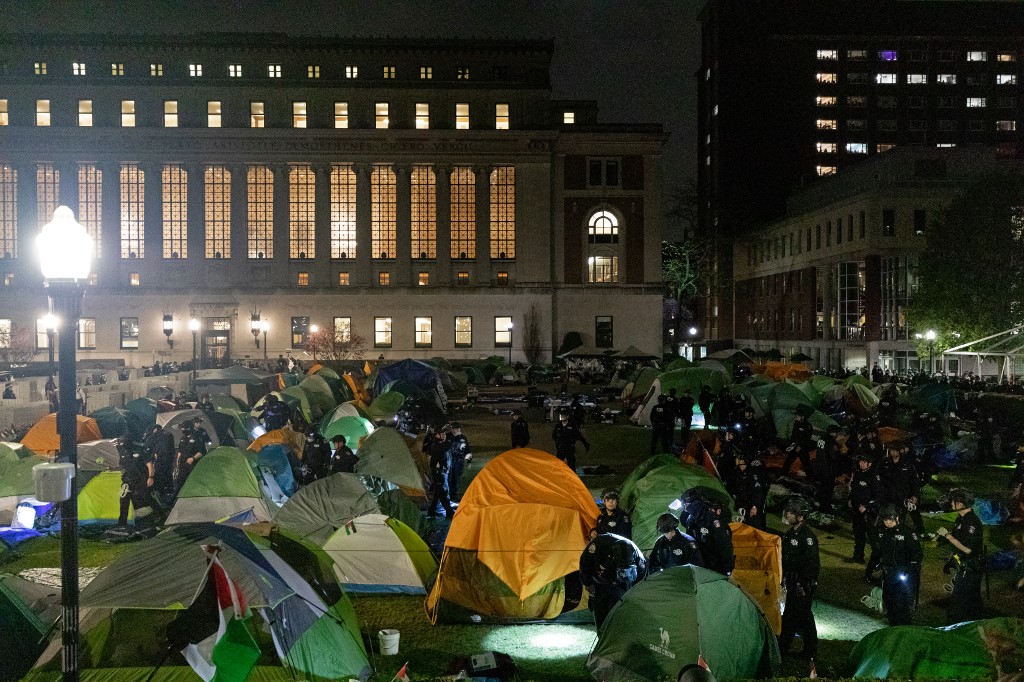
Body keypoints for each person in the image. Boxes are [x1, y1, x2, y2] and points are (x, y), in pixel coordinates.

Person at [779, 497, 820, 660]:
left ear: (800, 516)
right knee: (802, 617)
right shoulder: (790, 534)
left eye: (790, 513)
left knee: (794, 617)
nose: (787, 515)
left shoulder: (807, 537)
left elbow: (812, 564)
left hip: (801, 584)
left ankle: (784, 649)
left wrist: (804, 585)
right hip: (792, 582)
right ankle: (809, 651)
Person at [868, 503, 922, 625]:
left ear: (897, 518)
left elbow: (917, 553)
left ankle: (904, 624)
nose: (888, 522)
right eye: (886, 520)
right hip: (888, 572)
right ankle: (892, 621)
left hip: (902, 572)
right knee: (888, 599)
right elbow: (878, 551)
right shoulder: (882, 532)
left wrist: (909, 569)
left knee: (901, 601)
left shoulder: (907, 533)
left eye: (891, 519)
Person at [936, 487, 985, 623]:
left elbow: (968, 549)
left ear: (961, 504)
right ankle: (977, 623)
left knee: (959, 601)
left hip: (970, 567)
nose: (951, 503)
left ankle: (952, 627)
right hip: (964, 565)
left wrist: (947, 536)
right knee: (973, 600)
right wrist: (951, 561)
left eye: (953, 501)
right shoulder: (961, 519)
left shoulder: (971, 523)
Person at [579, 532, 646, 628]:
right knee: (601, 613)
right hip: (600, 583)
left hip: (622, 585)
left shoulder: (637, 555)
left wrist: (634, 592)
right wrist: (587, 584)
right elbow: (584, 564)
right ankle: (602, 636)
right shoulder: (598, 546)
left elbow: (642, 576)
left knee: (620, 611)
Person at [681, 490, 734, 575]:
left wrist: (728, 567)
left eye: (685, 505)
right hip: (700, 565)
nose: (685, 508)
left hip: (715, 567)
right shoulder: (691, 519)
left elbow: (724, 545)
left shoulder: (712, 519)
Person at [878, 446, 924, 535]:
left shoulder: (908, 464)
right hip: (887, 495)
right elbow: (878, 478)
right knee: (886, 515)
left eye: (895, 450)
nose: (893, 452)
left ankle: (900, 534)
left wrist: (914, 494)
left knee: (901, 516)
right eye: (892, 450)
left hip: (903, 496)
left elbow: (914, 481)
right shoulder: (884, 463)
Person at [847, 453, 881, 566]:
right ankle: (858, 556)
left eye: (864, 462)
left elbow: (877, 496)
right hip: (856, 511)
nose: (861, 464)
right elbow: (853, 489)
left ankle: (876, 561)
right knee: (858, 535)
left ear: (869, 464)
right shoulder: (857, 474)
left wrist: (866, 507)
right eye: (860, 462)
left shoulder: (873, 476)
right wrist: (850, 500)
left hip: (868, 513)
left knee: (872, 537)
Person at [116, 435, 153, 527]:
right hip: (127, 480)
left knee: (140, 500)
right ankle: (122, 524)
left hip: (140, 479)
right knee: (124, 501)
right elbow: (122, 465)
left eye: (123, 442)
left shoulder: (139, 449)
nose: (121, 444)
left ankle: (144, 521)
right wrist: (113, 468)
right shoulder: (122, 451)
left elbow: (149, 464)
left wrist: (151, 477)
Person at [729, 452, 768, 530]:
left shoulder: (752, 474)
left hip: (751, 504)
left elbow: (757, 491)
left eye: (739, 459)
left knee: (754, 524)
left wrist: (754, 506)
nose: (736, 460)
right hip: (742, 504)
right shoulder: (737, 472)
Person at [143, 424, 176, 504]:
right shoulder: (169, 434)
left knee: (159, 477)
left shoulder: (155, 435)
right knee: (168, 475)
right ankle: (170, 492)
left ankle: (162, 496)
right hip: (169, 460)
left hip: (160, 459)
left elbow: (146, 445)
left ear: (155, 429)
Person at [427, 426, 455, 519]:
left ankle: (432, 510)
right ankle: (449, 512)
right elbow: (446, 446)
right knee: (443, 492)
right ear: (437, 434)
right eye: (442, 434)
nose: (444, 436)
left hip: (443, 471)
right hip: (439, 472)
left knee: (438, 492)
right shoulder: (437, 444)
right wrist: (453, 436)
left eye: (445, 434)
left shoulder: (440, 443)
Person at [782, 407, 815, 476]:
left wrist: (800, 446)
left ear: (802, 417)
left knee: (806, 463)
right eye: (796, 415)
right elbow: (793, 436)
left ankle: (811, 477)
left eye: (798, 416)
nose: (796, 417)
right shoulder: (796, 423)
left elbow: (806, 438)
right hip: (795, 445)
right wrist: (791, 445)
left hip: (802, 448)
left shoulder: (808, 426)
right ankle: (783, 474)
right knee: (788, 461)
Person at [174, 421, 206, 493]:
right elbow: (180, 450)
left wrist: (193, 458)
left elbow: (201, 452)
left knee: (192, 480)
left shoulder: (197, 437)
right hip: (182, 463)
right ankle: (176, 496)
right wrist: (178, 460)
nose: (183, 430)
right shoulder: (182, 438)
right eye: (182, 428)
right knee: (179, 481)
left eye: (185, 428)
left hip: (192, 463)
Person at [447, 422, 471, 501]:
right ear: (452, 429)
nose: (457, 430)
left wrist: (469, 461)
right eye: (455, 428)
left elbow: (467, 450)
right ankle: (448, 495)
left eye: (458, 428)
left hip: (459, 462)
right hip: (449, 462)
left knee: (456, 479)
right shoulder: (447, 437)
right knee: (449, 479)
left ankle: (454, 495)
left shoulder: (463, 438)